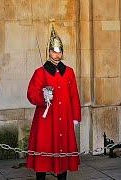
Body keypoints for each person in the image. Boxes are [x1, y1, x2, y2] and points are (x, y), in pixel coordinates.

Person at [26, 26, 81, 180]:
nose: (57, 55)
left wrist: (75, 117)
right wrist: (44, 97)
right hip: (46, 120)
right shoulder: (40, 72)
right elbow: (31, 94)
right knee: (44, 153)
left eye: (59, 51)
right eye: (54, 51)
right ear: (48, 52)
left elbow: (74, 96)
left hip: (64, 118)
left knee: (63, 154)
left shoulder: (69, 72)